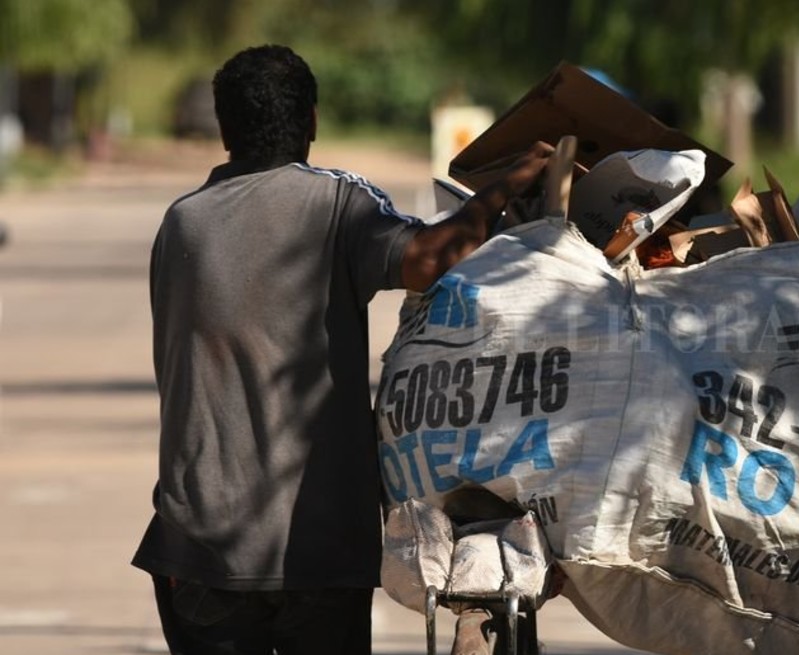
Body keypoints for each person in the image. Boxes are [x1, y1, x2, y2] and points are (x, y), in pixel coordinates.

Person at [130, 44, 551, 654]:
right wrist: (503, 190)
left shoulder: (181, 222)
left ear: (223, 129)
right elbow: (429, 258)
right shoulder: (336, 203)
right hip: (317, 548)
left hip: (197, 549)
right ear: (313, 122)